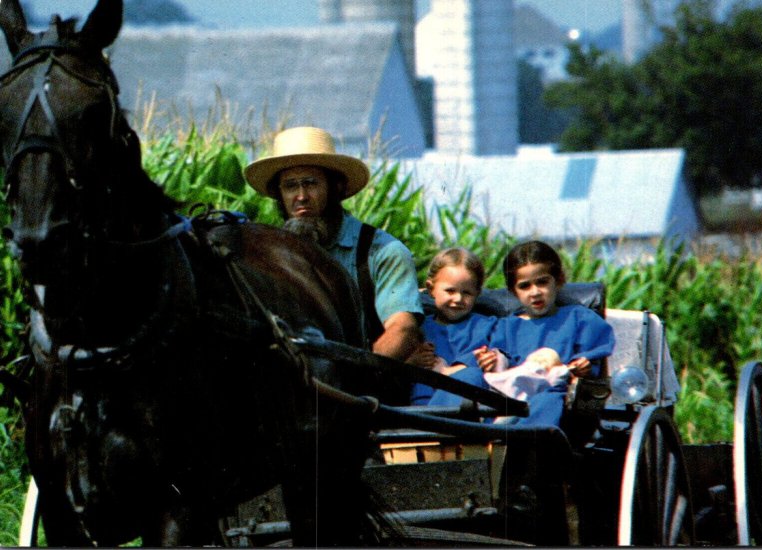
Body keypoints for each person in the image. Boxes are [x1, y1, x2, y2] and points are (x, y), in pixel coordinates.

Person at [243, 127, 424, 367]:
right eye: (290, 186)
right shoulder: (267, 256)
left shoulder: (382, 251)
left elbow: (402, 329)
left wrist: (356, 374)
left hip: (365, 391)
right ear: (279, 194)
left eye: (311, 184)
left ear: (335, 187)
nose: (301, 196)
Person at [427, 240, 615, 427]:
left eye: (542, 282)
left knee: (546, 401)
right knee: (469, 378)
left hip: (556, 396)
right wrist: (491, 361)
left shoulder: (580, 318)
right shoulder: (506, 327)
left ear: (558, 281)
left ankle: (519, 448)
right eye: (525, 286)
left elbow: (593, 366)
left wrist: (585, 366)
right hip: (507, 397)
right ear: (513, 291)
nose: (535, 292)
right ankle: (435, 431)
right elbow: (500, 363)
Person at [406, 247, 506, 405]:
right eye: (450, 291)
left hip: (469, 406)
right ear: (431, 289)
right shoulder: (418, 328)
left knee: (472, 375)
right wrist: (413, 361)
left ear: (478, 293)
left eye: (467, 293)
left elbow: (501, 359)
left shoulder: (488, 326)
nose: (458, 298)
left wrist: (448, 372)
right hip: (423, 406)